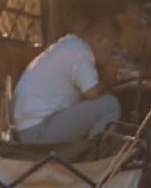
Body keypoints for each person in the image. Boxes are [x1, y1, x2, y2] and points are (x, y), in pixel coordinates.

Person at [9, 16, 122, 145]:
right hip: (37, 131)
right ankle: (96, 157)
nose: (114, 52)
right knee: (109, 105)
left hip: (28, 128)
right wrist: (109, 75)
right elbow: (93, 93)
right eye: (114, 47)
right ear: (101, 40)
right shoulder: (81, 53)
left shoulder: (71, 44)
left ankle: (85, 154)